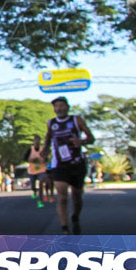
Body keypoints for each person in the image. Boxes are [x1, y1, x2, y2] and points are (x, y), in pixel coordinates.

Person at [44, 96, 94, 234]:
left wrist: (81, 142)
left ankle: (75, 217)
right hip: (59, 165)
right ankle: (65, 228)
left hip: (77, 163)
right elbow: (47, 139)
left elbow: (91, 138)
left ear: (67, 107)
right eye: (56, 106)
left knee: (77, 196)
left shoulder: (76, 120)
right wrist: (44, 152)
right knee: (62, 196)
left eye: (61, 105)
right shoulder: (51, 123)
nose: (59, 108)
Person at [24, 135, 48, 208]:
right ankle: (34, 191)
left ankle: (40, 201)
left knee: (41, 184)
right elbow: (25, 158)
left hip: (41, 170)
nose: (37, 142)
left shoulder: (42, 150)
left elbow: (46, 159)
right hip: (32, 171)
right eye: (35, 141)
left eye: (38, 141)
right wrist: (31, 160)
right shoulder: (30, 150)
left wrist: (43, 160)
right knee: (33, 186)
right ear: (33, 142)